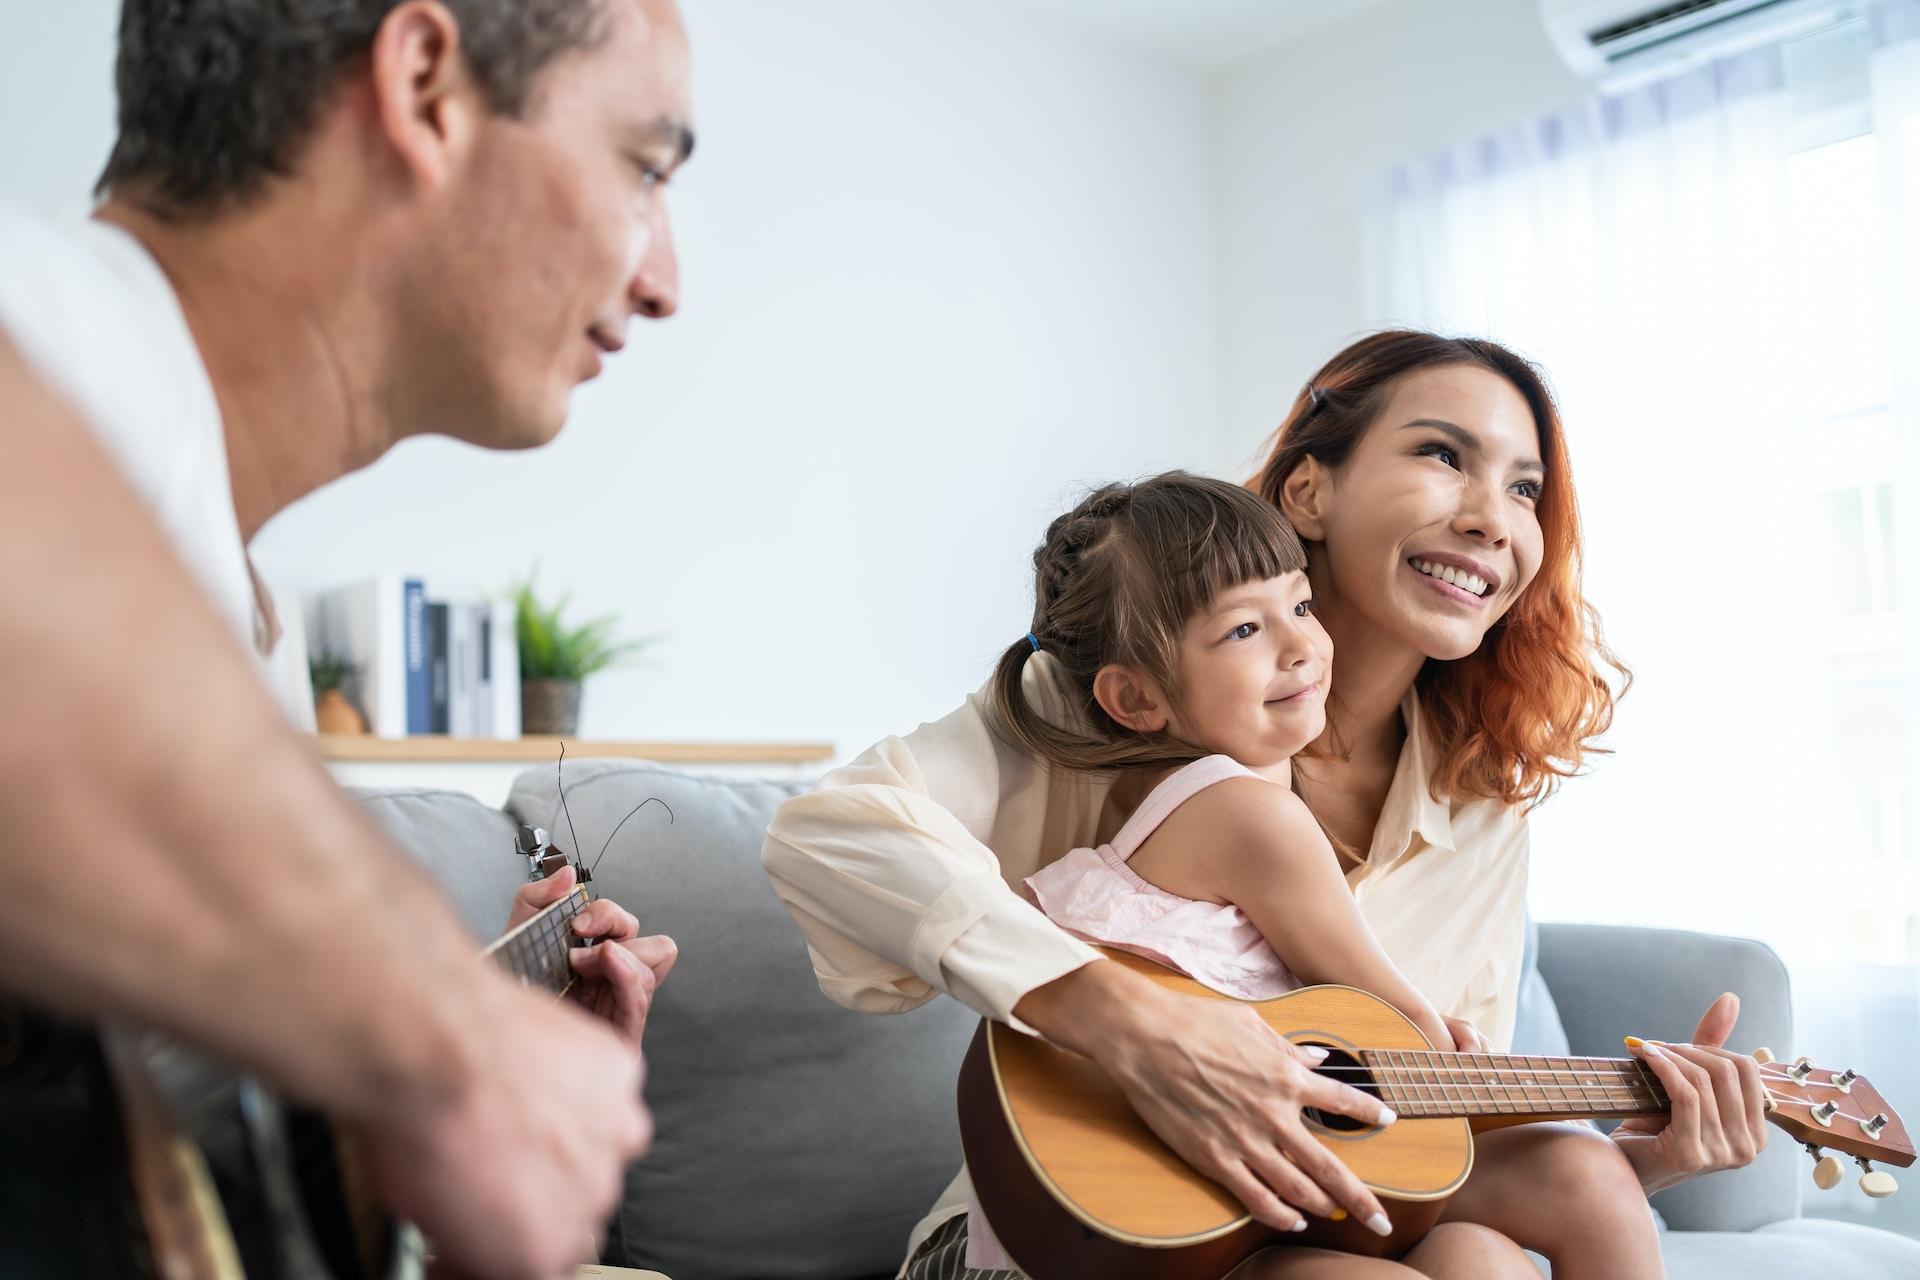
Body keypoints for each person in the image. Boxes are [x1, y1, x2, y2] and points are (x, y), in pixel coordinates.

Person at [763, 331, 1772, 1278]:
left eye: (1524, 488)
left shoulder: (1481, 810)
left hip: (1290, 1221)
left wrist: (1637, 1163)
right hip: (1067, 1232)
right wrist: (1129, 1021)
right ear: (1308, 488)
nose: (1492, 517)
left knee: (1484, 1258)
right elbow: (829, 836)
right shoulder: (1098, 706)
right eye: (1443, 455)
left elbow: (1420, 1135)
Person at [0, 1, 693, 1276]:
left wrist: (467, 1110)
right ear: (426, 86)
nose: (664, 282)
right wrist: (433, 1032)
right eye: (644, 169)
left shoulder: (230, 623)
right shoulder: (49, 317)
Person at [954, 471, 1660, 1278]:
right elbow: (1408, 1024)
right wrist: (1476, 1057)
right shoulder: (1248, 815)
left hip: (1221, 1220)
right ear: (1135, 698)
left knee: (1481, 1257)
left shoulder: (1186, 809)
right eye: (1243, 631)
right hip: (1157, 1234)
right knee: (1587, 1177)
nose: (1301, 646)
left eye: (1297, 605)